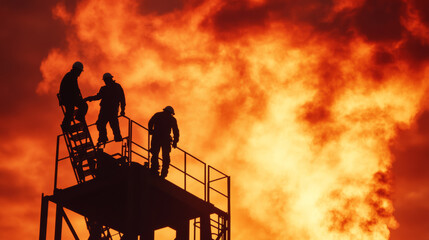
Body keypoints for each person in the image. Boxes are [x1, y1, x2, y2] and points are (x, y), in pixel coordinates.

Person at [85, 73, 126, 145]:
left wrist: (123, 110)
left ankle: (105, 137)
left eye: (106, 80)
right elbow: (122, 99)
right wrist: (89, 98)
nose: (105, 82)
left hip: (106, 110)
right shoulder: (114, 87)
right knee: (109, 124)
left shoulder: (108, 88)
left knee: (105, 124)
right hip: (110, 110)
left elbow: (122, 99)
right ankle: (113, 137)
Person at [148, 106, 179, 178]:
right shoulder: (172, 119)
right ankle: (163, 173)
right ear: (171, 113)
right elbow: (176, 131)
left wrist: (150, 130)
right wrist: (175, 142)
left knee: (155, 154)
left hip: (156, 137)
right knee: (165, 157)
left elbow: (150, 122)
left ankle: (154, 169)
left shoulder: (158, 115)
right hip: (165, 140)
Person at [59, 61, 88, 131]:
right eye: (80, 71)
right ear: (77, 70)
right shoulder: (71, 76)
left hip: (68, 98)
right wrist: (79, 97)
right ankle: (76, 119)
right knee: (82, 106)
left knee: (70, 111)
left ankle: (66, 125)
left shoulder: (71, 75)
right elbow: (74, 90)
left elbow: (75, 89)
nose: (80, 73)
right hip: (68, 98)